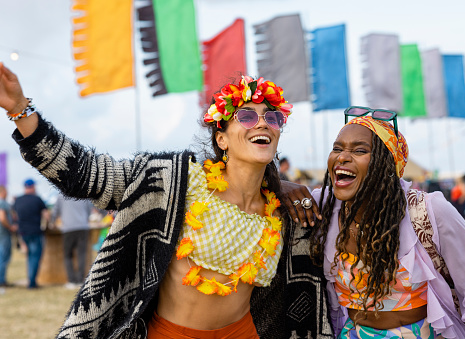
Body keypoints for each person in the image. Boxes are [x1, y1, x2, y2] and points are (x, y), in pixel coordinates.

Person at [0, 62, 332, 339]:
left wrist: (285, 186)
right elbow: (86, 173)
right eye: (246, 116)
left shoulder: (286, 211)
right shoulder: (172, 182)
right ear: (221, 139)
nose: (262, 122)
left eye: (272, 117)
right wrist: (19, 109)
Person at [292, 106, 465, 338]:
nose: (342, 157)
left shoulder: (428, 212)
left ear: (387, 165)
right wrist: (283, 185)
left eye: (360, 150)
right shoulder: (321, 205)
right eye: (337, 148)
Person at [51, 193, 93, 288]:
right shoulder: (83, 194)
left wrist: (52, 221)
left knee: (68, 255)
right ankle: (80, 280)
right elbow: (89, 211)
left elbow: (55, 211)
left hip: (68, 228)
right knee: (81, 254)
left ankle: (71, 281)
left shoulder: (61, 196)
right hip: (83, 227)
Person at [12, 178, 48, 289]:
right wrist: (47, 225)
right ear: (32, 187)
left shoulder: (18, 200)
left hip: (23, 232)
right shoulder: (37, 199)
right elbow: (47, 215)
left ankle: (30, 280)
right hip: (35, 231)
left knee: (29, 256)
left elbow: (14, 215)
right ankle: (32, 282)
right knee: (35, 256)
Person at [0, 185, 17, 286]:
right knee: (4, 256)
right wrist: (10, 227)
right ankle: (1, 280)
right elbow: (2, 218)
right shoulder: (2, 203)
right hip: (4, 233)